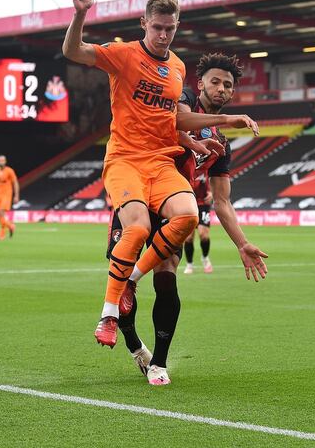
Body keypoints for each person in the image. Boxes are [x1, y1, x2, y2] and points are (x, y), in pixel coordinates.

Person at [61, 0, 260, 348]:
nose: (164, 34)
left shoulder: (177, 68)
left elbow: (170, 121)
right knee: (135, 230)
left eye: (170, 28)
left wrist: (198, 139)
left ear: (177, 26)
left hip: (161, 165)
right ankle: (108, 315)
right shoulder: (123, 55)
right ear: (144, 24)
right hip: (125, 160)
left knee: (187, 218)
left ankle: (131, 285)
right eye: (157, 28)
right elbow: (73, 51)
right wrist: (80, 15)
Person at [113, 53, 268, 385]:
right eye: (215, 81)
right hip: (139, 186)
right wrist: (229, 119)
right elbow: (181, 121)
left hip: (174, 206)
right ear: (200, 84)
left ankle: (160, 362)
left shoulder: (222, 145)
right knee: (120, 278)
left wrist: (242, 243)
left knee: (166, 276)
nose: (221, 88)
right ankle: (134, 345)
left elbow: (223, 201)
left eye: (228, 85)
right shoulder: (179, 99)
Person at [182, 172, 213, 274]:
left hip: (203, 204)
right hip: (188, 203)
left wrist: (211, 193)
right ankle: (189, 264)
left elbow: (213, 180)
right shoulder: (186, 166)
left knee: (203, 235)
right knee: (189, 237)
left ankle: (205, 258)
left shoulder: (205, 164)